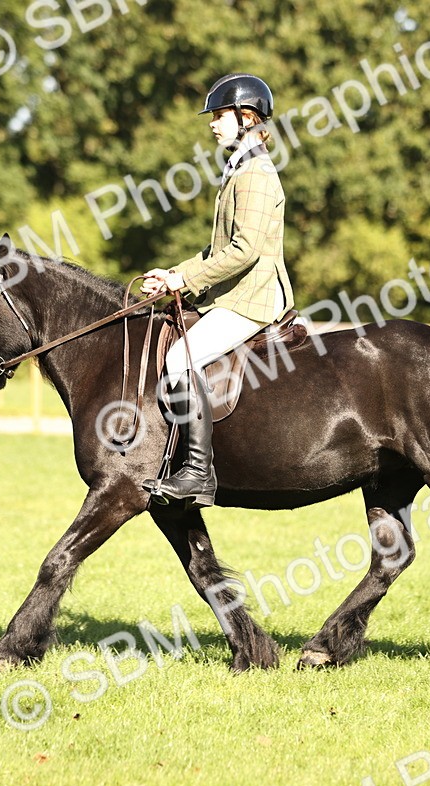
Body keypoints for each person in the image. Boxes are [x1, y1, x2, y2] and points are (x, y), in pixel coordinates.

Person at [139, 73, 294, 507]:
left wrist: (184, 281)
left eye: (220, 115)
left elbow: (244, 250)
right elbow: (217, 249)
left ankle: (196, 473)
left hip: (254, 297)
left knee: (178, 357)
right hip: (235, 292)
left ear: (247, 117)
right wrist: (174, 275)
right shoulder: (239, 168)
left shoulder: (256, 174)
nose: (213, 123)